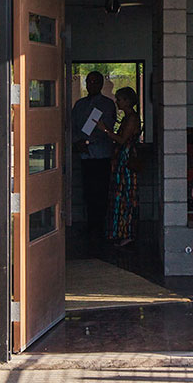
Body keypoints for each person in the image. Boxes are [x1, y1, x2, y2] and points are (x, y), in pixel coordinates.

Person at [71, 71, 116, 251]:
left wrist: (90, 141)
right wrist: (77, 142)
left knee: (102, 191)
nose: (92, 85)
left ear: (101, 84)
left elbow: (109, 129)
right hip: (85, 155)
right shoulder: (80, 104)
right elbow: (72, 126)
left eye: (95, 82)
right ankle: (90, 225)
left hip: (101, 154)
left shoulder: (107, 104)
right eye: (89, 82)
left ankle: (101, 227)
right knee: (87, 191)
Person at [100, 86, 142, 246]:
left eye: (120, 99)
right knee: (121, 193)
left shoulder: (131, 119)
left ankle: (127, 231)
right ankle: (120, 231)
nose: (117, 102)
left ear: (128, 101)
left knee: (125, 194)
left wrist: (105, 130)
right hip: (121, 158)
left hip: (126, 159)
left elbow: (123, 139)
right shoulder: (127, 117)